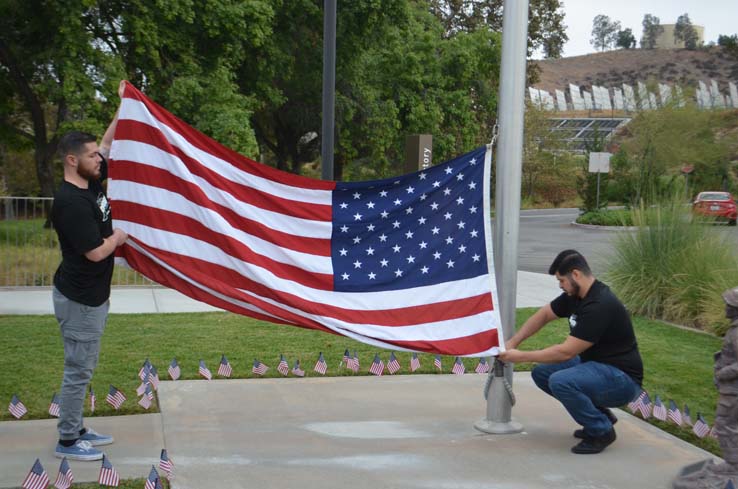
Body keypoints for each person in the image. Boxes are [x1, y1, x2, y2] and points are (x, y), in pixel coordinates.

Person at [498, 249, 643, 454]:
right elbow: (544, 315)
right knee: (542, 373)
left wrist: (519, 356)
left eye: (561, 280)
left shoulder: (599, 304)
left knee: (561, 381)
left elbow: (565, 353)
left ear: (576, 274)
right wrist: (513, 341)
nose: (560, 286)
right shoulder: (575, 295)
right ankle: (600, 417)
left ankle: (601, 431)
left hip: (622, 380)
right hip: (596, 366)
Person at [51, 81, 128, 461]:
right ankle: (67, 440)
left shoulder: (91, 180)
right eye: (92, 156)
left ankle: (78, 427)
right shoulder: (70, 202)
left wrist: (123, 104)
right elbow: (97, 252)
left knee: (85, 364)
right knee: (78, 370)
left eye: (98, 155)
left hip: (92, 296)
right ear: (71, 160)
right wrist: (120, 237)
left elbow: (109, 143)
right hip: (80, 298)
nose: (100, 159)